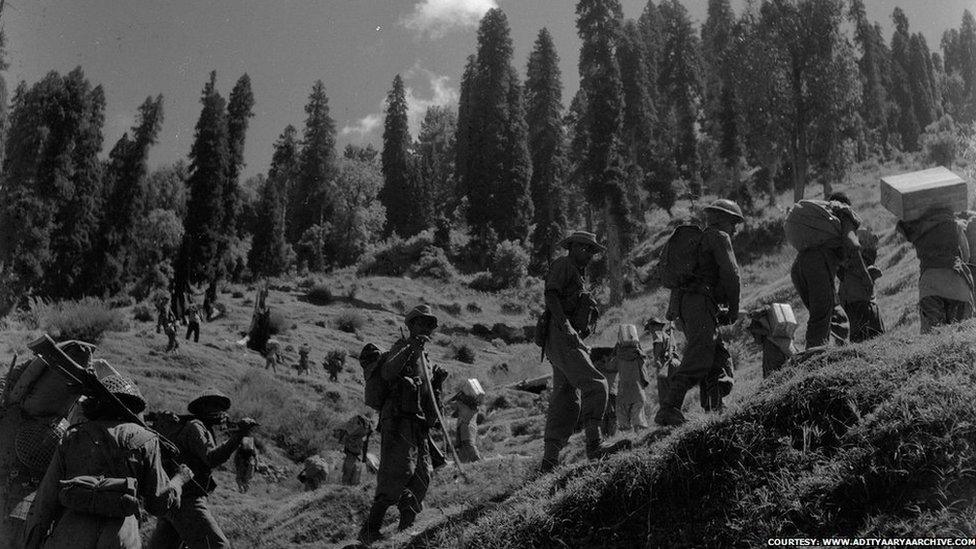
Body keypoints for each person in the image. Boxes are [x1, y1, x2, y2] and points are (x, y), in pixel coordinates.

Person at [23, 371, 192, 549]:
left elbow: (46, 500)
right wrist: (179, 480)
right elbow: (158, 504)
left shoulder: (73, 436)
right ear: (134, 407)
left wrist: (33, 542)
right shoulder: (146, 439)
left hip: (69, 536)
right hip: (120, 538)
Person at [540, 231, 632, 473]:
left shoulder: (576, 272)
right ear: (572, 247)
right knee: (597, 384)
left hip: (562, 338)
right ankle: (595, 445)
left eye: (592, 251)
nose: (589, 254)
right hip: (562, 337)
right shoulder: (563, 264)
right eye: (585, 248)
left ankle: (548, 462)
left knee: (566, 399)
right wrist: (568, 327)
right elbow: (551, 295)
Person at [358, 305, 448, 545]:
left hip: (418, 425)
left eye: (430, 324)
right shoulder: (402, 348)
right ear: (411, 325)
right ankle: (370, 529)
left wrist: (438, 382)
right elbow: (387, 374)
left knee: (422, 474)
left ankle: (406, 527)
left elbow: (430, 397)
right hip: (397, 421)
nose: (427, 328)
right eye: (422, 323)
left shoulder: (426, 358)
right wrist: (410, 349)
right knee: (395, 473)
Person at [656, 200, 743, 427]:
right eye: (734, 223)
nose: (735, 229)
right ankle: (669, 407)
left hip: (688, 306)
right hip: (699, 304)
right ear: (723, 219)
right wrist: (732, 310)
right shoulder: (718, 237)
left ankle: (714, 406)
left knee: (717, 354)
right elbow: (732, 276)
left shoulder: (699, 242)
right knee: (700, 353)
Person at [147, 390, 257, 549]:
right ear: (203, 407)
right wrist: (239, 435)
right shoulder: (196, 426)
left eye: (221, 406)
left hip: (174, 500)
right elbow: (211, 458)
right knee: (218, 546)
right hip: (188, 501)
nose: (220, 410)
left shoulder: (198, 426)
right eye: (214, 405)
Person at [790, 193, 862, 349]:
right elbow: (853, 244)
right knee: (822, 315)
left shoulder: (822, 225)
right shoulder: (845, 214)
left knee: (834, 314)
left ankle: (834, 351)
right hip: (817, 266)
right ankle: (815, 357)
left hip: (799, 267)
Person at [897, 206, 974, 333]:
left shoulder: (917, 230)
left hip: (930, 285)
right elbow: (966, 255)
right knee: (962, 332)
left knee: (934, 336)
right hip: (957, 283)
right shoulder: (954, 225)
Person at [839, 226, 885, 343]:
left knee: (863, 344)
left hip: (854, 310)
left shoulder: (847, 267)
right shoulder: (856, 265)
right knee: (873, 344)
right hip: (862, 309)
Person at [611, 325, 649, 433]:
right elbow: (644, 368)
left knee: (623, 419)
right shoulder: (639, 356)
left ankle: (627, 441)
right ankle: (639, 440)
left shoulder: (618, 357)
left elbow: (610, 367)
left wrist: (614, 352)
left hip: (623, 392)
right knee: (638, 419)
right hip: (638, 391)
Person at [334, 413, 372, 486]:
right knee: (354, 477)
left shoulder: (354, 436)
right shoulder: (360, 436)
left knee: (348, 477)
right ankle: (349, 491)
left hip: (352, 455)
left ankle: (347, 491)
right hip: (356, 455)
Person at [453, 389, 483, 463]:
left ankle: (478, 462)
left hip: (466, 428)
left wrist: (455, 397)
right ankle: (460, 466)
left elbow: (453, 410)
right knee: (463, 448)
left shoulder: (462, 405)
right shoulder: (473, 407)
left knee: (468, 445)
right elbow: (455, 414)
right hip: (469, 428)